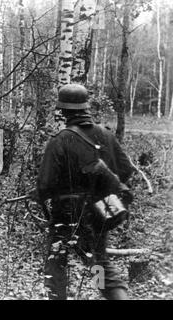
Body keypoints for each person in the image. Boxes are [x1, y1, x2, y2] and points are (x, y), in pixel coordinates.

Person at [37, 84, 136, 300]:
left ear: (63, 111)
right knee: (98, 266)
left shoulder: (60, 140)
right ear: (85, 108)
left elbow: (44, 186)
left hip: (67, 216)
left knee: (56, 265)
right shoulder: (106, 136)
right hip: (102, 212)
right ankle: (115, 295)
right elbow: (126, 170)